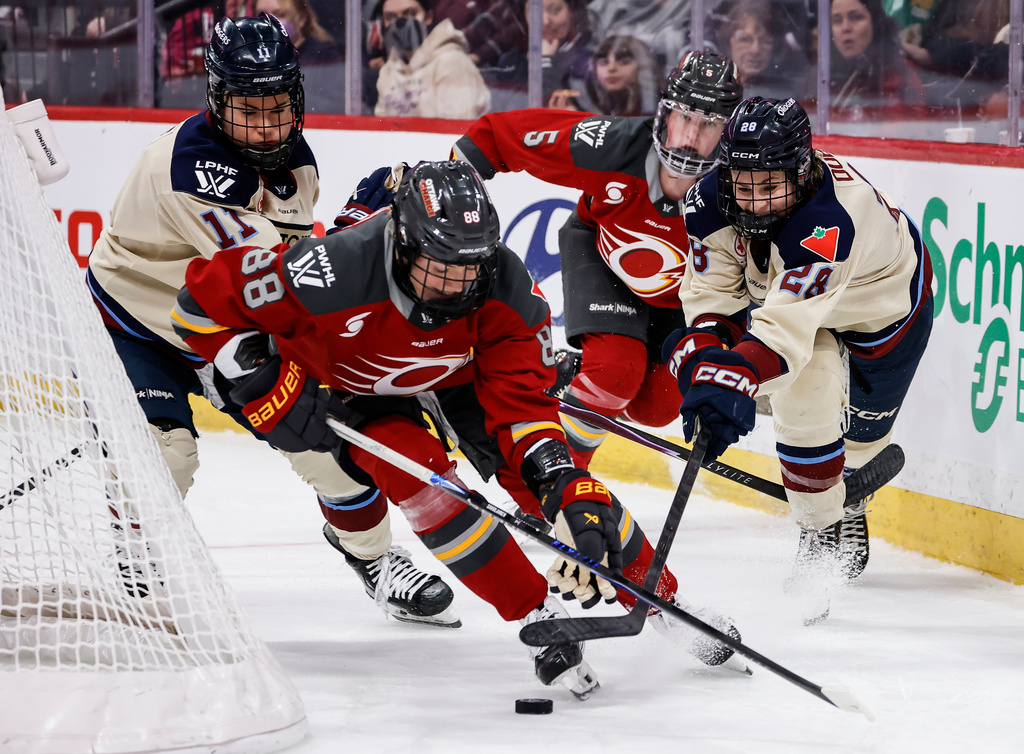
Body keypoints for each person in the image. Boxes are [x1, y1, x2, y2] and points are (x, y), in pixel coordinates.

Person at [171, 160, 747, 693]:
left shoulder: (505, 290)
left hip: (465, 374)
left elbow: (525, 415)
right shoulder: (330, 269)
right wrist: (259, 382)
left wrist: (561, 480)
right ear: (401, 246)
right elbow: (195, 305)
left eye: (472, 266)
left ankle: (664, 599)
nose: (458, 284)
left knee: (552, 486)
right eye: (440, 267)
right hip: (357, 388)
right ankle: (534, 612)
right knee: (424, 482)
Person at [86, 13, 458, 629]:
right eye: (246, 107)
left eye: (278, 105)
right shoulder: (193, 171)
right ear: (215, 99)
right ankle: (135, 546)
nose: (265, 125)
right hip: (139, 319)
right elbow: (281, 274)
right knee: (165, 453)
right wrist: (365, 221)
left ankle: (371, 556)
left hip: (227, 321)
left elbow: (288, 269)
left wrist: (356, 231)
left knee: (329, 446)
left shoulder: (295, 162)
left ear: (298, 97)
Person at [668, 96, 933, 593]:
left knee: (860, 442)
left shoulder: (830, 220)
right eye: (743, 185)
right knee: (803, 393)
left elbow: (781, 335)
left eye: (770, 186)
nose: (754, 202)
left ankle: (845, 491)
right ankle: (821, 529)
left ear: (802, 170)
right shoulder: (708, 202)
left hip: (883, 305)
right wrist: (707, 363)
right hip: (791, 296)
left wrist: (733, 381)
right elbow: (712, 297)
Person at [453, 51, 743, 473]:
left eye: (709, 124)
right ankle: (560, 479)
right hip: (603, 260)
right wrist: (443, 197)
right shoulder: (611, 145)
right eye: (684, 117)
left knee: (658, 409)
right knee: (614, 374)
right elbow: (493, 137)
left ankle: (572, 374)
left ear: (729, 131)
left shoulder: (742, 190)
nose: (690, 136)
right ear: (664, 115)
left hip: (685, 298)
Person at [373, 0, 491, 118]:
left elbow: (456, 129)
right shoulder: (388, 70)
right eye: (390, 17)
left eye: (410, 14)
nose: (400, 22)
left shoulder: (451, 61)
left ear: (428, 17)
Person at [828, 0, 926, 114]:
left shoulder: (900, 76)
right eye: (836, 20)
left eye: (856, 18)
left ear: (875, 23)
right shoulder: (819, 77)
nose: (845, 28)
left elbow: (907, 126)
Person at [714, 0, 810, 101]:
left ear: (775, 47)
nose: (755, 49)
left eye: (765, 41)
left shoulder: (788, 95)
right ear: (729, 42)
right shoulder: (711, 88)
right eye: (745, 39)